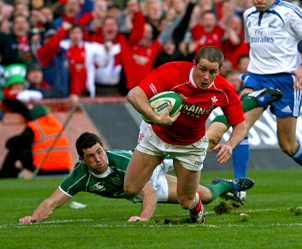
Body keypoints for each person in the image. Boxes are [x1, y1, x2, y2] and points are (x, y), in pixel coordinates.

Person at [124, 46, 247, 223]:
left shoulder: (224, 90)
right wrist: (154, 117)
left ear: (220, 71)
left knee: (186, 200)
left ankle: (197, 205)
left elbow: (240, 126)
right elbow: (135, 94)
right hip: (157, 136)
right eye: (202, 69)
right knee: (131, 188)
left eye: (212, 72)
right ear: (194, 64)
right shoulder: (172, 72)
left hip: (190, 144)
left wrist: (230, 144)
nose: (206, 76)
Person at [19, 132, 254, 224]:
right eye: (91, 156)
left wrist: (143, 218)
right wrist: (33, 218)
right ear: (82, 160)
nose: (99, 159)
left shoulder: (120, 163)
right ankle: (226, 185)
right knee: (204, 196)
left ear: (104, 147)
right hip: (154, 180)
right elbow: (52, 201)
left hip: (152, 164)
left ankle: (221, 136)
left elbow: (146, 193)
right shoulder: (81, 176)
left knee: (198, 153)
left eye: (100, 151)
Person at [239, 0, 302, 169]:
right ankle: (239, 189)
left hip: (286, 81)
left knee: (288, 145)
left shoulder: (290, 12)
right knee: (239, 126)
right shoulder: (248, 14)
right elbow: (253, 45)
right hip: (256, 78)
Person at [0, 101, 72, 179]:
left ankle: (5, 174)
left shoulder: (35, 126)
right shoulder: (57, 125)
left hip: (43, 170)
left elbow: (12, 143)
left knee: (15, 149)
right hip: (64, 170)